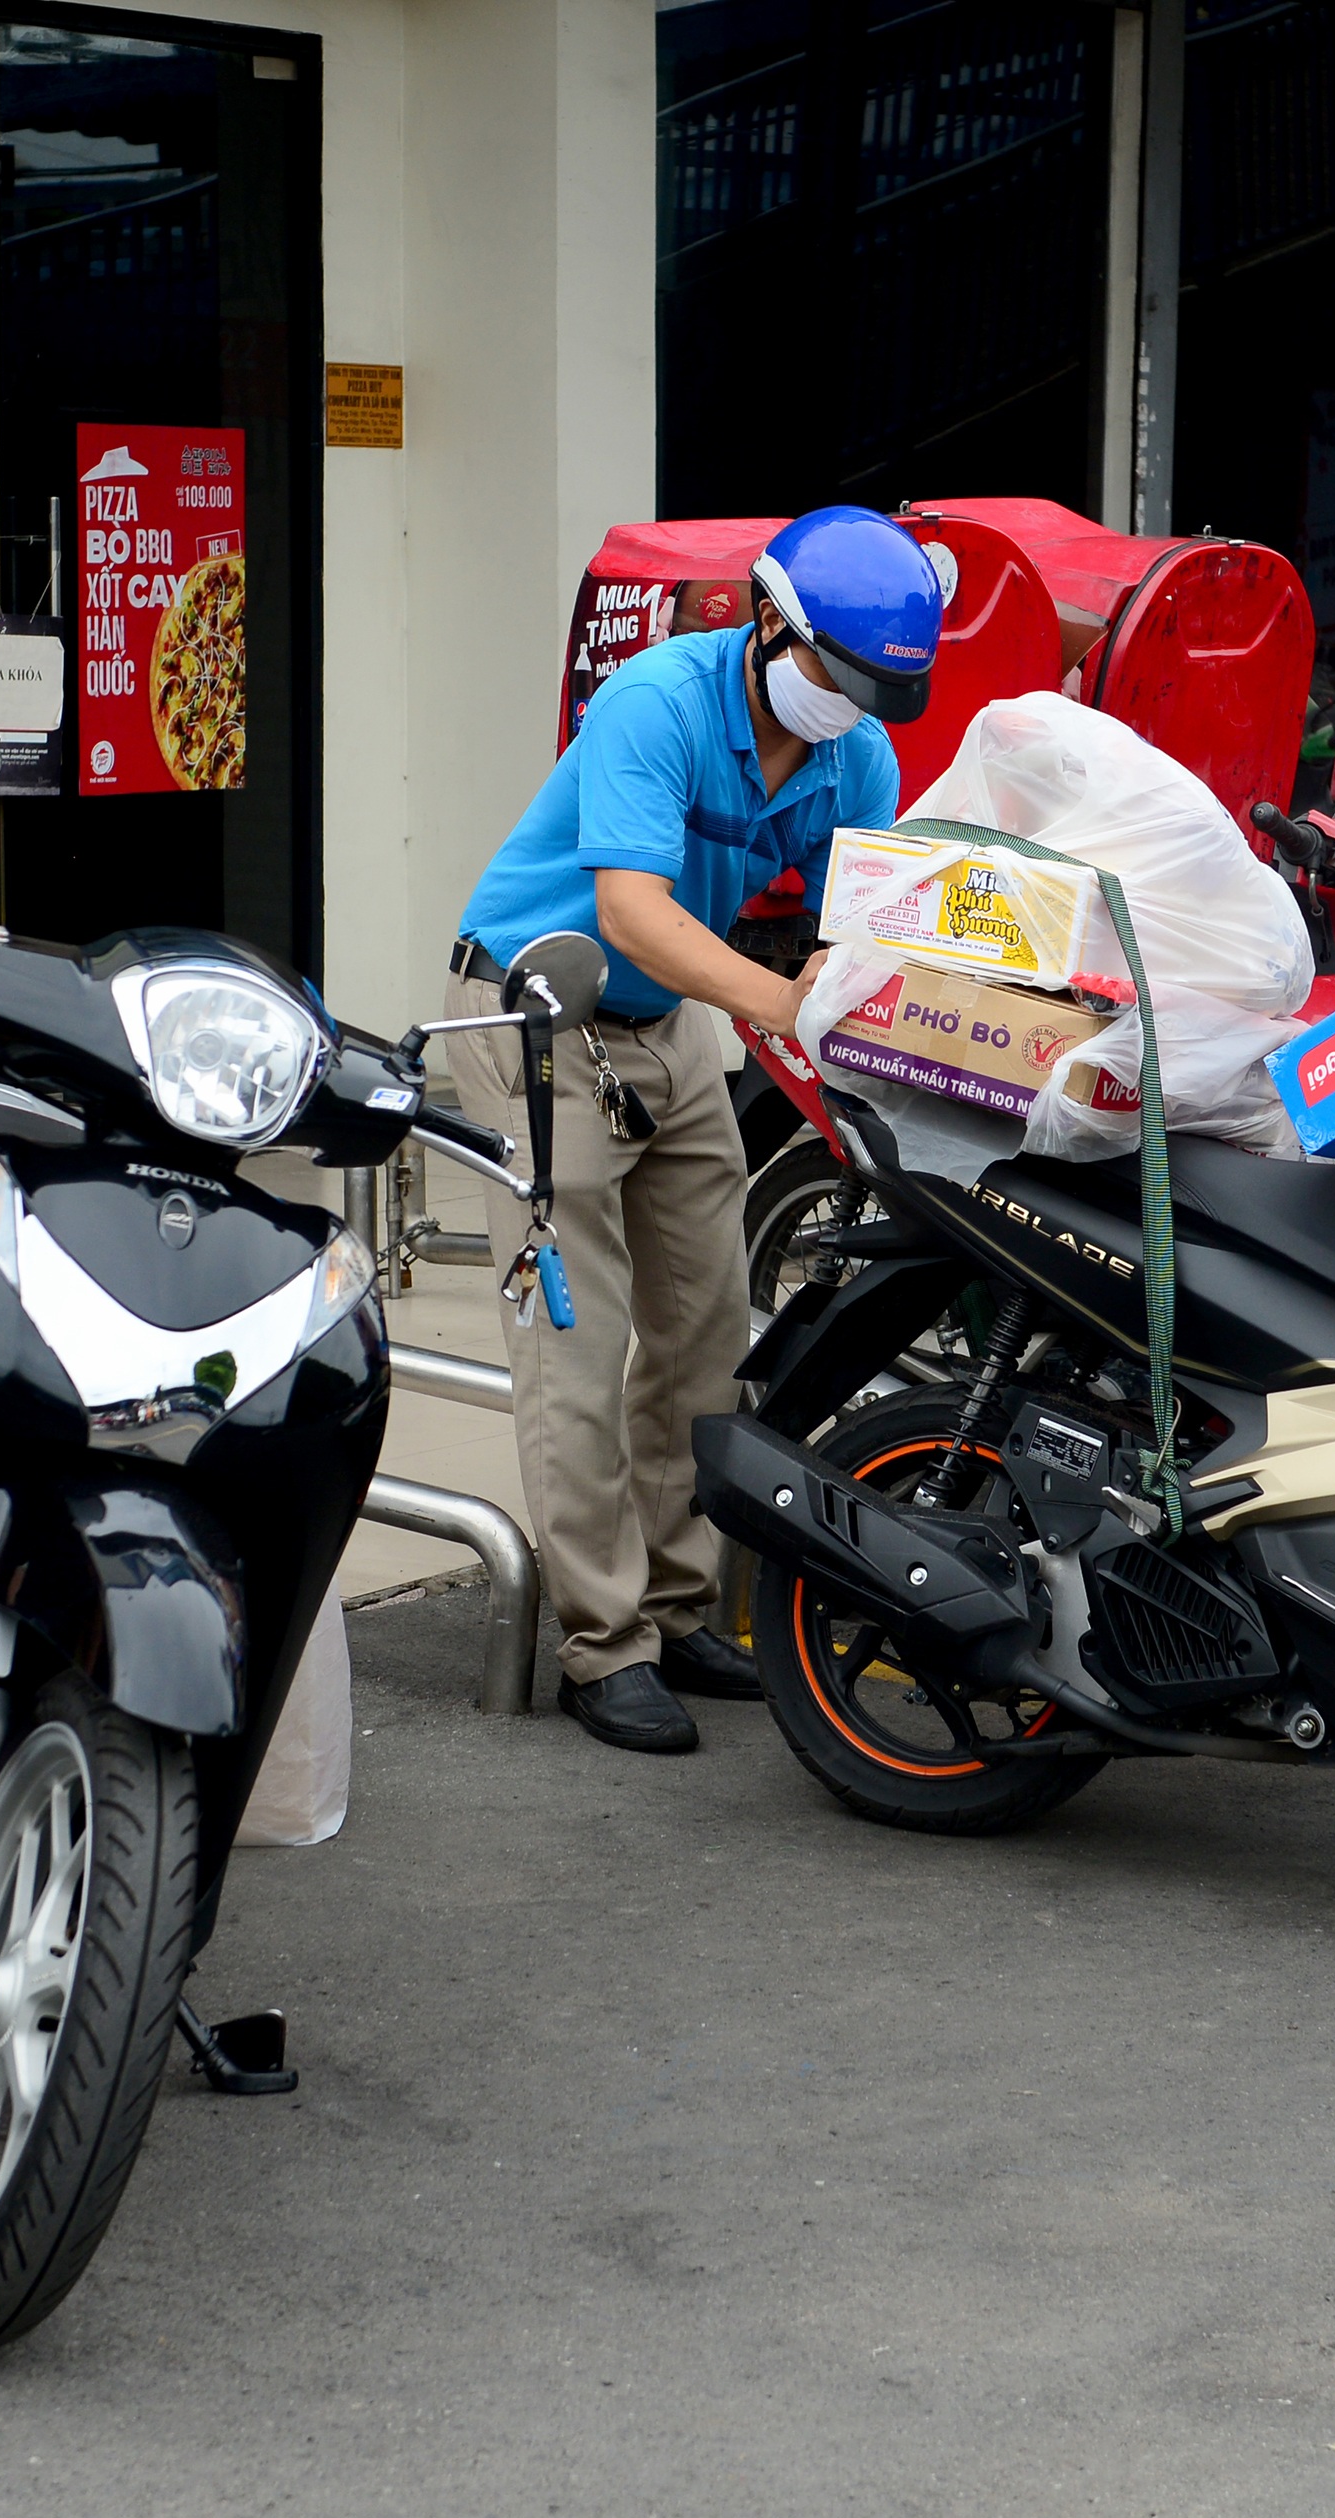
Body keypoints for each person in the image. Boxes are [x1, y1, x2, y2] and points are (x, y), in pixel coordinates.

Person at [442, 506, 938, 1752]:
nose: (850, 703)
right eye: (837, 671)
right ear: (768, 622)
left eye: (877, 689)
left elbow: (854, 918)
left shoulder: (854, 753)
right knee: (579, 1333)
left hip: (669, 1026)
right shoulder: (653, 702)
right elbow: (631, 908)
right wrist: (779, 1004)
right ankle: (600, 1641)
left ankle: (675, 1603)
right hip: (541, 1004)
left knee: (711, 1326)